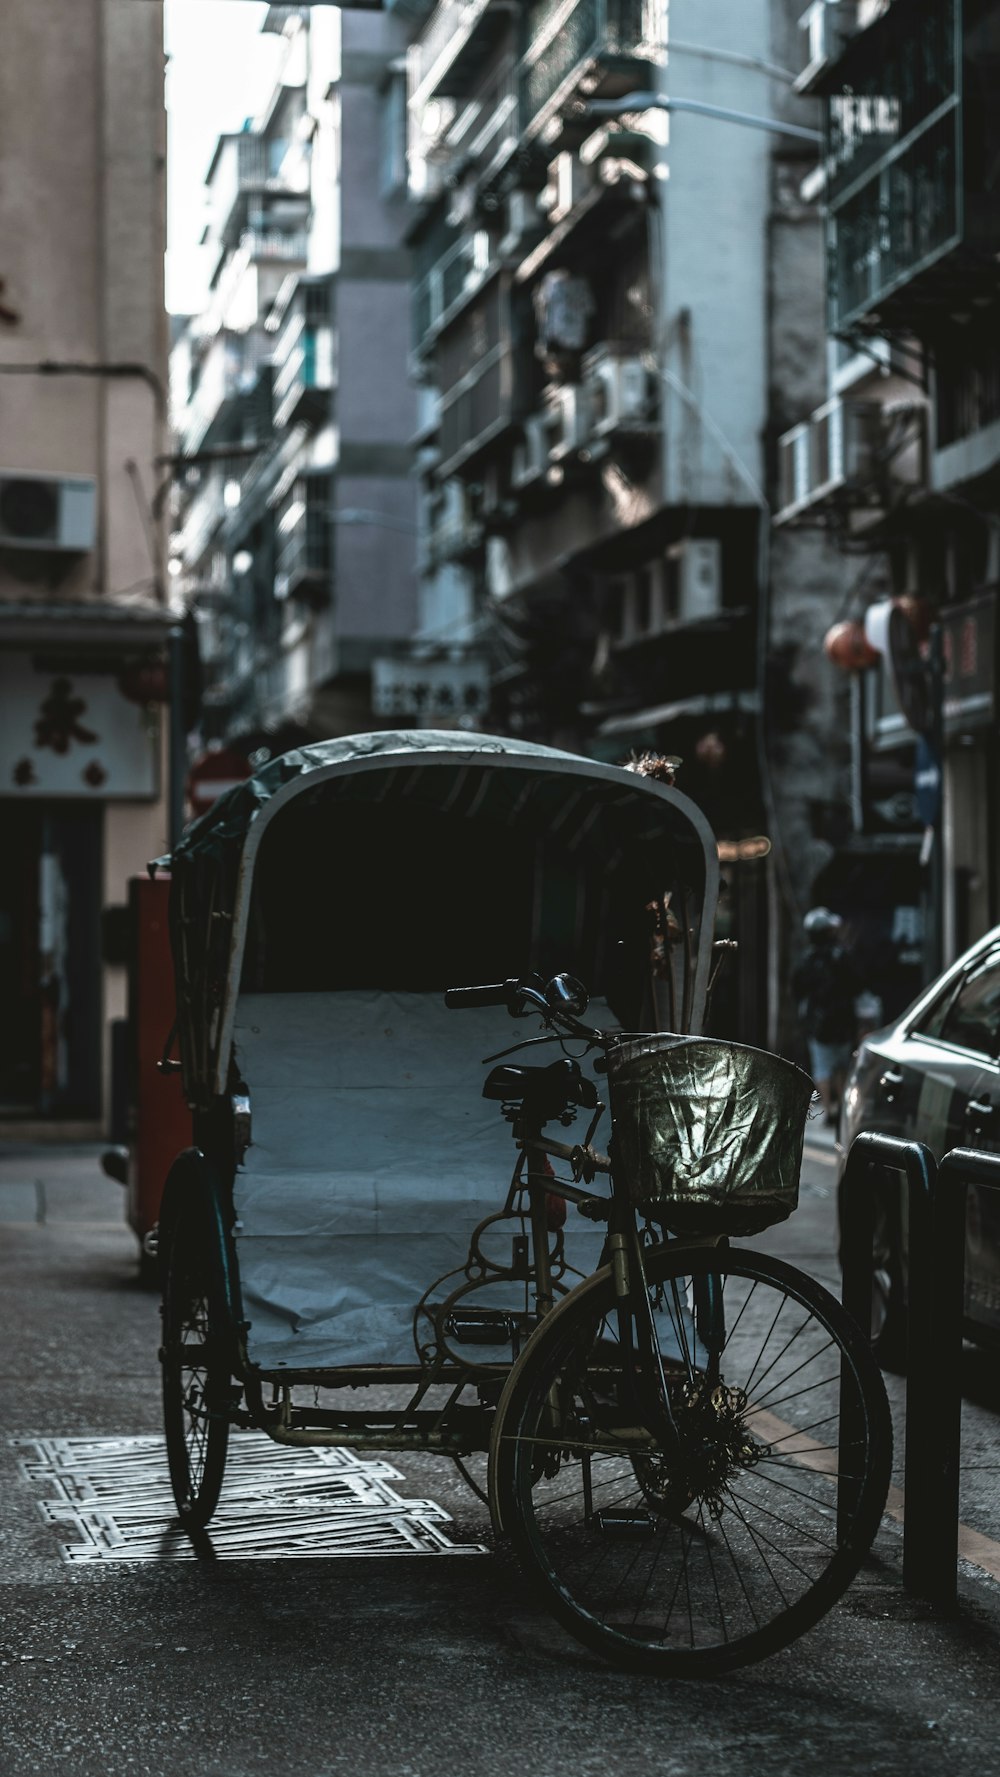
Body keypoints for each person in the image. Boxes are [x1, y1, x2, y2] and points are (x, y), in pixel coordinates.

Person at [792, 907, 868, 1126]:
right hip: (842, 1021)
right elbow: (857, 985)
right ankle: (842, 1107)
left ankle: (827, 1106)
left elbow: (797, 990)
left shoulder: (807, 959)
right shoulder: (841, 956)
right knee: (842, 1064)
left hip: (817, 1024)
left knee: (822, 1066)